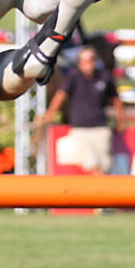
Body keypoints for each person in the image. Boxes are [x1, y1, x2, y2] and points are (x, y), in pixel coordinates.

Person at [39, 45, 125, 174]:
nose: (88, 64)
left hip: (101, 128)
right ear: (79, 62)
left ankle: (99, 193)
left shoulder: (105, 77)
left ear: (95, 61)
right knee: (93, 165)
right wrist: (50, 113)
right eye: (84, 61)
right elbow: (61, 95)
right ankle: (102, 193)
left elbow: (116, 99)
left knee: (104, 167)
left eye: (91, 60)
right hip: (80, 130)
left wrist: (120, 121)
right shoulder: (73, 76)